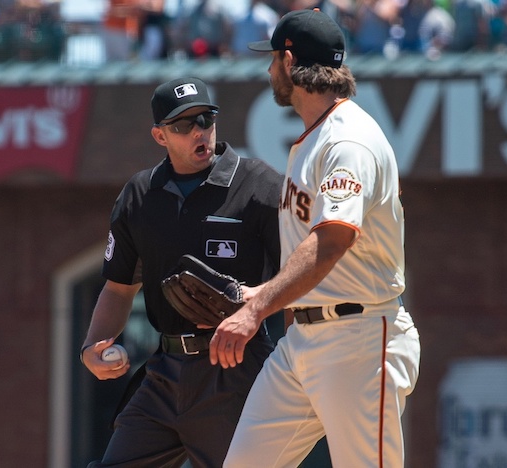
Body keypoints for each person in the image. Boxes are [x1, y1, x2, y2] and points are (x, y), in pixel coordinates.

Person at [208, 9, 421, 467]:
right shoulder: (316, 137)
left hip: (360, 338)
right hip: (302, 342)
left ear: (289, 61)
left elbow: (331, 241)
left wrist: (256, 309)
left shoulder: (348, 140)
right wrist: (265, 293)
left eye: (271, 60)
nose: (268, 70)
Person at [80, 76, 283, 467]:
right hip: (165, 372)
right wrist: (93, 347)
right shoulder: (139, 195)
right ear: (160, 136)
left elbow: (299, 273)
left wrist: (268, 323)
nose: (198, 132)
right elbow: (119, 287)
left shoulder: (258, 185)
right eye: (182, 125)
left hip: (235, 369)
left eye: (205, 119)